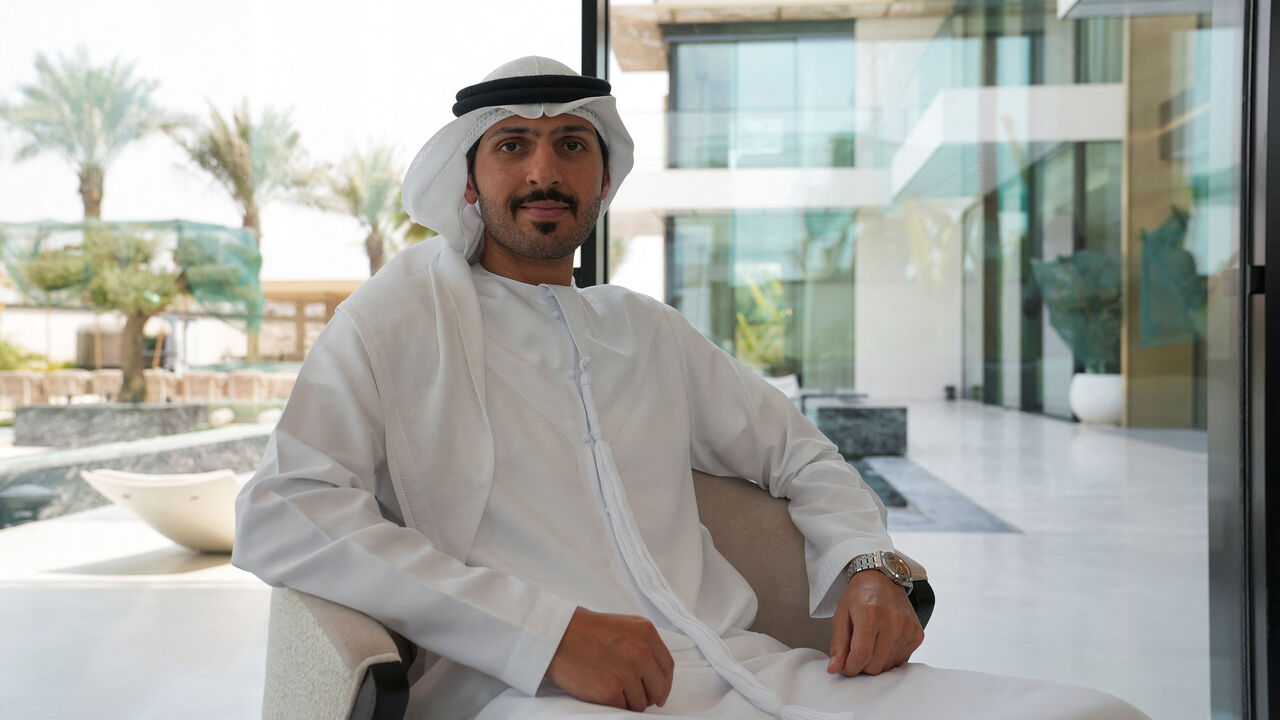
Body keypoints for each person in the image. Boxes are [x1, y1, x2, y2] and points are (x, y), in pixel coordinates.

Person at [233, 56, 1149, 720]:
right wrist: (543, 632)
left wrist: (870, 564)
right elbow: (284, 510)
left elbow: (801, 454)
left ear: (601, 181)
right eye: (512, 145)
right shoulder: (401, 314)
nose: (544, 170)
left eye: (571, 145)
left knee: (1097, 715)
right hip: (535, 693)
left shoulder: (643, 329)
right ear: (470, 181)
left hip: (754, 673)